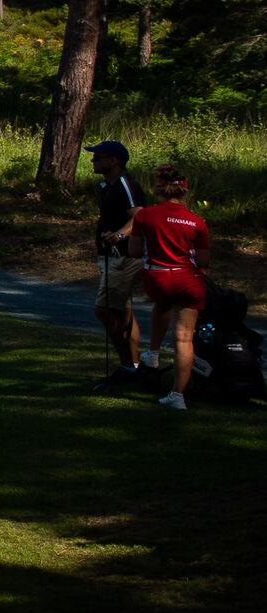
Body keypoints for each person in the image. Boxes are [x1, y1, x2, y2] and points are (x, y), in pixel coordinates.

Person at [126, 165, 211, 411]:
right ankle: (178, 395)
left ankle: (152, 352)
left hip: (159, 278)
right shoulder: (197, 221)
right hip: (188, 280)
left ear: (160, 188)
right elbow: (204, 261)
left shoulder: (146, 216)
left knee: (162, 302)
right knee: (184, 339)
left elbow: (133, 251)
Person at [85, 139, 149, 390]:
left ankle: (126, 366)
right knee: (123, 311)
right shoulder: (105, 185)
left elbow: (140, 217)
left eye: (99, 157)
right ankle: (134, 366)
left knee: (105, 310)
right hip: (108, 255)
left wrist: (120, 234)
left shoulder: (125, 183)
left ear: (114, 161)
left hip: (124, 256)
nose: (93, 161)